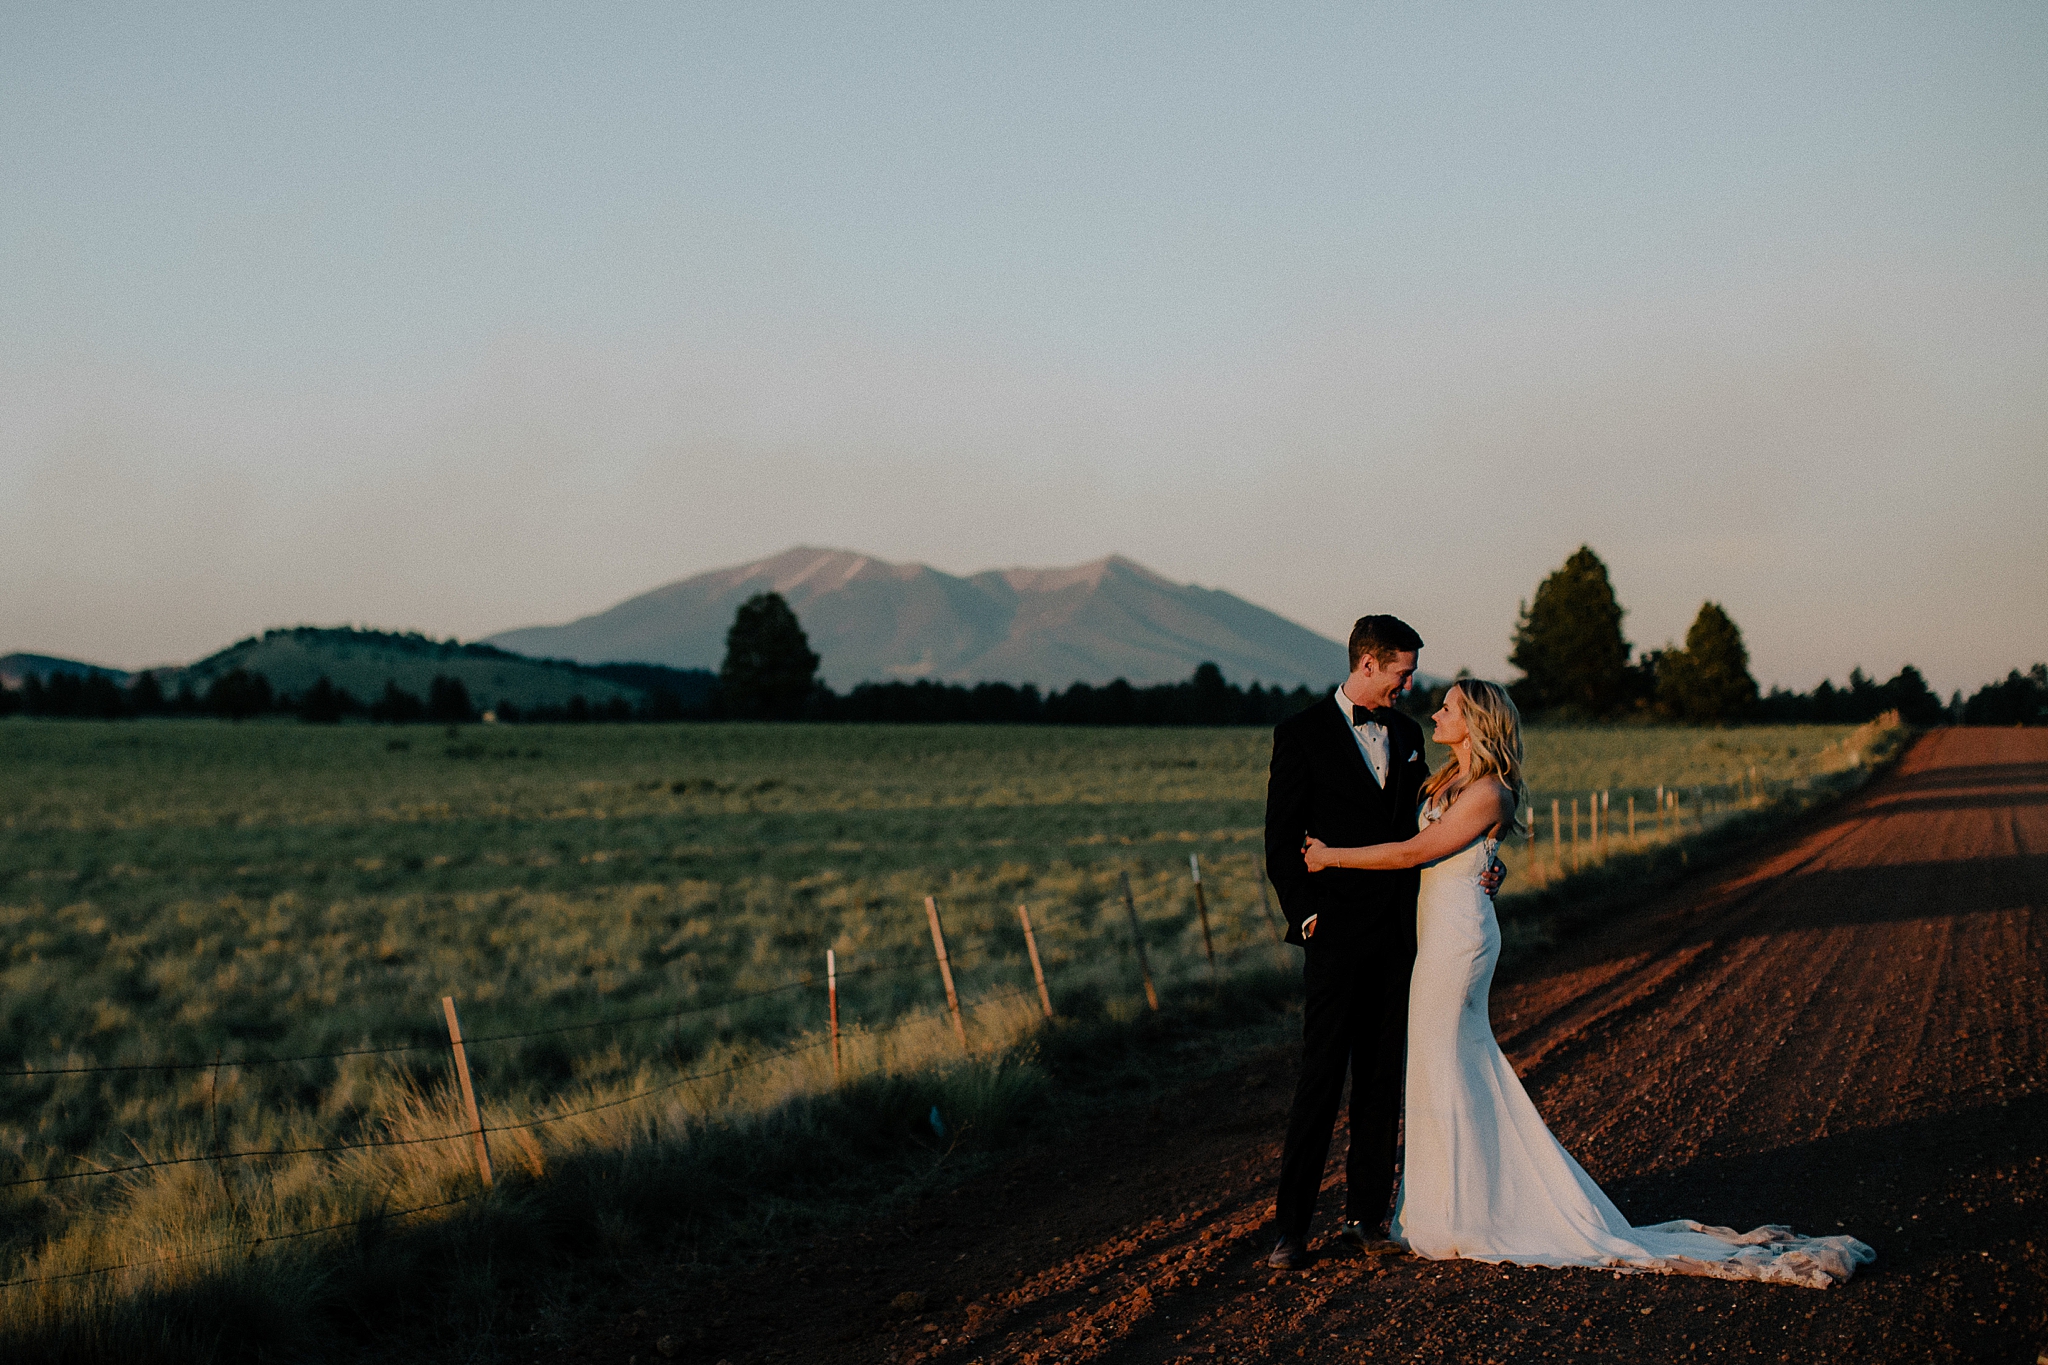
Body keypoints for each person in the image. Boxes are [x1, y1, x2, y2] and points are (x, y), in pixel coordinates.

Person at [1302, 678, 1875, 1287]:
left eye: (1449, 708)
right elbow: (1451, 852)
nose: (1436, 713)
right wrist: (1488, 863)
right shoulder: (1446, 780)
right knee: (1439, 1067)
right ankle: (1442, 1209)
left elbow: (1416, 852)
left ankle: (1472, 1212)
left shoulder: (1491, 791)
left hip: (1460, 939)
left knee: (1449, 1063)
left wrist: (1331, 857)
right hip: (1436, 934)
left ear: (1477, 723)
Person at [1261, 615, 1503, 1270]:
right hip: (1335, 937)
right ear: (1368, 664)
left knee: (1380, 1080)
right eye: (1403, 671)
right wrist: (1308, 918)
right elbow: (1281, 842)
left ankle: (1366, 1218)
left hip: (1402, 936)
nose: (1409, 685)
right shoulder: (1300, 734)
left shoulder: (1409, 735)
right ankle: (1291, 1230)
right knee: (1320, 1079)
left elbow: (1438, 832)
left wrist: (1489, 860)